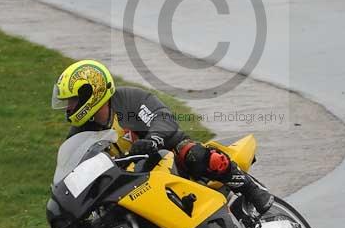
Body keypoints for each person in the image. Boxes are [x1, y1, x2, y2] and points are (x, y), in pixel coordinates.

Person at [51, 59, 273, 215]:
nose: (68, 107)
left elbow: (162, 117)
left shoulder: (127, 100)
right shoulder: (80, 133)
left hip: (166, 155)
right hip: (131, 181)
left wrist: (152, 140)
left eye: (72, 100)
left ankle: (251, 189)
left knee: (193, 154)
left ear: (92, 93)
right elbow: (75, 170)